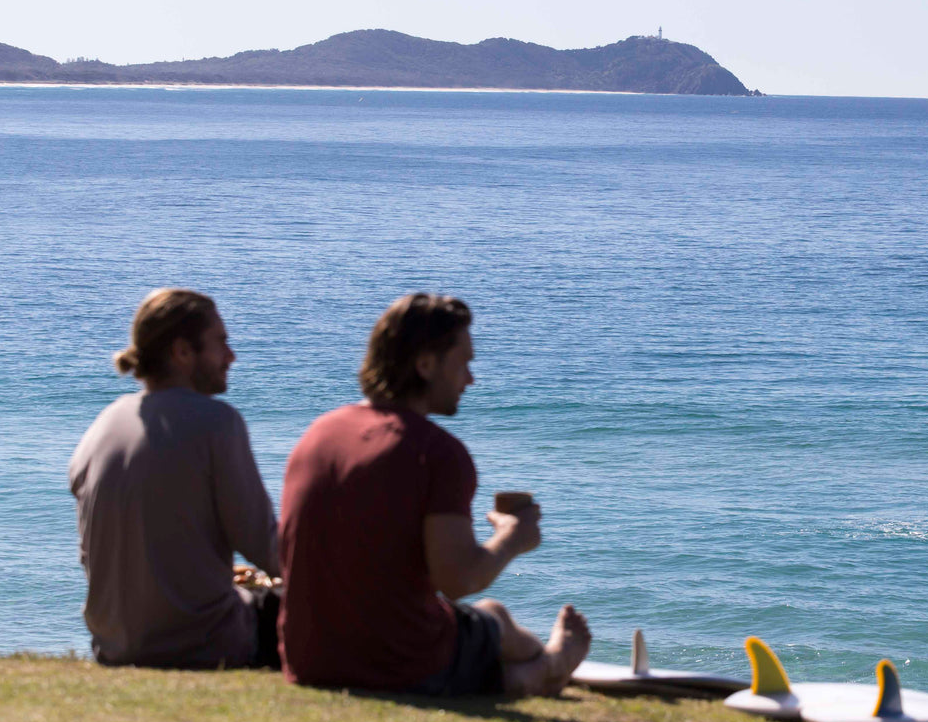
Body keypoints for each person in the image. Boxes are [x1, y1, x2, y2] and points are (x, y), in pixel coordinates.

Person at [278, 293, 590, 697]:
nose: (471, 379)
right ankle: (551, 667)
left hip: (311, 659)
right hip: (402, 665)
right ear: (425, 364)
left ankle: (544, 662)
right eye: (463, 363)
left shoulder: (320, 432)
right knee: (494, 622)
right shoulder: (436, 453)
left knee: (487, 621)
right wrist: (515, 537)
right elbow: (459, 579)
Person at [68, 288, 282, 669]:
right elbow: (265, 547)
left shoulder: (101, 426)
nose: (231, 357)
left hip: (114, 646)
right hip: (206, 644)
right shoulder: (217, 423)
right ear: (183, 352)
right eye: (221, 343)